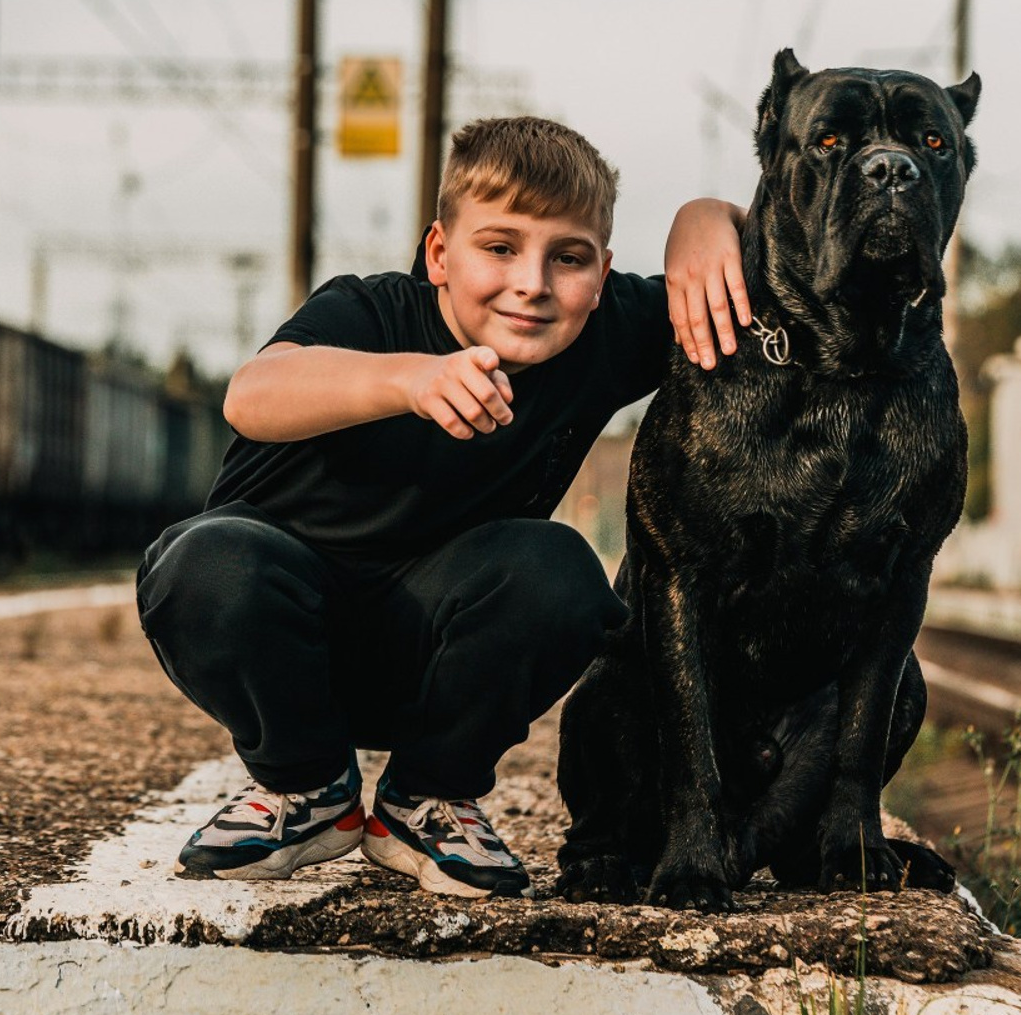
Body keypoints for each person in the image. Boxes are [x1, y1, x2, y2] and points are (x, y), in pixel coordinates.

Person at [136, 116, 748, 899]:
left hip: (440, 662)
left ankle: (425, 799)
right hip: (282, 649)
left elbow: (770, 262)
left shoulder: (601, 331)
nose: (533, 282)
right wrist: (408, 380)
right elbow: (252, 394)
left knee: (559, 570)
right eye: (499, 248)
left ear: (601, 273)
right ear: (438, 255)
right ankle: (308, 789)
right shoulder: (368, 312)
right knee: (204, 560)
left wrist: (704, 217)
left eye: (568, 258)